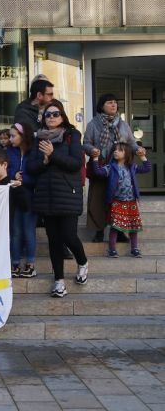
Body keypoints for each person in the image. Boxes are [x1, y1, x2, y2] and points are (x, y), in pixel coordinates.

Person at [26, 99, 89, 298]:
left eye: (55, 114)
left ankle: (83, 262)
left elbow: (76, 163)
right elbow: (31, 168)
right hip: (46, 196)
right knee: (54, 240)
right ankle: (59, 281)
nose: (51, 117)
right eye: (48, 115)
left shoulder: (72, 135)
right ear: (43, 119)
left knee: (69, 236)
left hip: (68, 194)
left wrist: (53, 155)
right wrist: (44, 161)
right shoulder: (38, 139)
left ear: (62, 116)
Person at [83, 93, 143, 242]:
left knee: (119, 200)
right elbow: (86, 143)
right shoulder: (93, 124)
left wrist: (138, 150)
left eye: (115, 102)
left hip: (119, 166)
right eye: (109, 102)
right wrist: (92, 150)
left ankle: (120, 230)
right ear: (102, 106)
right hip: (101, 165)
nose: (113, 105)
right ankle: (99, 230)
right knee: (98, 198)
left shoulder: (123, 125)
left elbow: (131, 143)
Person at [90, 142, 151, 258]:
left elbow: (147, 168)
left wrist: (142, 156)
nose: (115, 151)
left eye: (119, 150)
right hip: (117, 201)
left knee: (134, 226)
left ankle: (134, 249)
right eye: (115, 150)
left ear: (127, 153)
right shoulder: (110, 167)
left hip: (132, 201)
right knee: (115, 226)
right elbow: (98, 172)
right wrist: (95, 158)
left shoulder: (132, 167)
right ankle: (112, 250)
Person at [8, 122, 37, 278]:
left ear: (22, 136)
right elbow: (6, 168)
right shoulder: (10, 151)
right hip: (14, 196)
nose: (11, 139)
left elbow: (37, 173)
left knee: (28, 230)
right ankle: (15, 263)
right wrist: (14, 175)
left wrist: (23, 178)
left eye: (13, 136)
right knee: (15, 232)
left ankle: (30, 264)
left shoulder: (34, 152)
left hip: (29, 196)